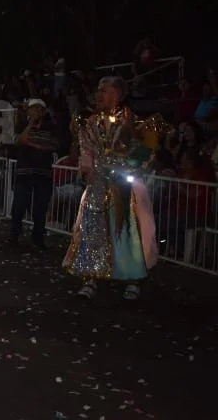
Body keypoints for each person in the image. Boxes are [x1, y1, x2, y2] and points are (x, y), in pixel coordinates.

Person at [62, 77, 159, 300]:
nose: (99, 95)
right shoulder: (90, 122)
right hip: (97, 184)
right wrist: (87, 169)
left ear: (117, 94)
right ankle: (91, 278)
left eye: (104, 90)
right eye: (98, 90)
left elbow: (146, 153)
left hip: (125, 185)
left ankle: (132, 279)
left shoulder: (133, 123)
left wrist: (132, 165)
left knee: (127, 231)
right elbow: (86, 150)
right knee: (93, 231)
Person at [9, 99, 59, 249]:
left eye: (40, 108)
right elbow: (19, 141)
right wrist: (30, 125)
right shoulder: (22, 125)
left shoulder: (51, 128)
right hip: (24, 171)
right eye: (33, 108)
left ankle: (38, 237)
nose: (37, 111)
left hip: (43, 172)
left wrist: (33, 144)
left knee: (40, 207)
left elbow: (54, 145)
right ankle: (14, 235)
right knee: (19, 205)